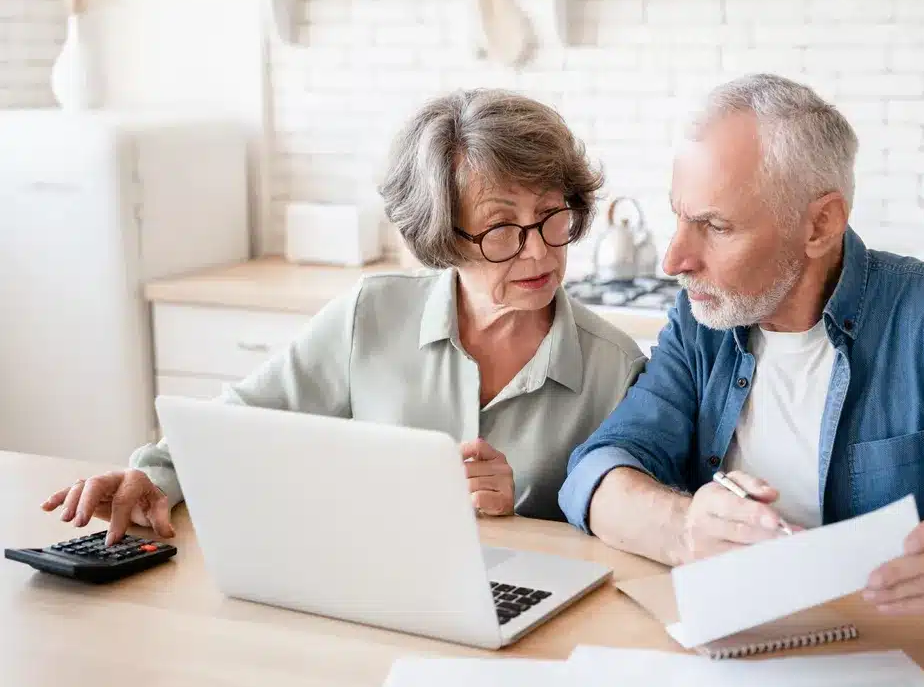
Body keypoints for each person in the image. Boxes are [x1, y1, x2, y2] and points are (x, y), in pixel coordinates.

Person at [558, 73, 924, 628]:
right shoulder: (702, 318)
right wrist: (686, 527)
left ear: (820, 224)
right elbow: (597, 470)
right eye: (679, 217)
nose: (673, 261)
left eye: (715, 225)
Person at [42, 88, 646, 544]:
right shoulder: (371, 315)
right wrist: (149, 478)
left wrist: (519, 512)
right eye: (500, 228)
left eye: (551, 214)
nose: (539, 249)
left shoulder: (615, 368)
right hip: (368, 597)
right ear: (443, 235)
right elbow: (242, 423)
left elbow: (620, 542)